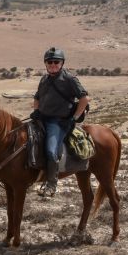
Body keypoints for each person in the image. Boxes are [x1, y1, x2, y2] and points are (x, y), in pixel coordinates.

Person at [30, 47, 90, 197]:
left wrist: (73, 118)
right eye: (49, 62)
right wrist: (36, 111)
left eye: (56, 62)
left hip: (58, 122)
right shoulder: (44, 79)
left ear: (62, 63)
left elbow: (84, 99)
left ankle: (51, 184)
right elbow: (37, 98)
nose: (53, 64)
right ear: (45, 63)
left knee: (51, 150)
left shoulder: (69, 79)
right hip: (41, 118)